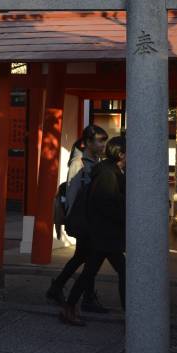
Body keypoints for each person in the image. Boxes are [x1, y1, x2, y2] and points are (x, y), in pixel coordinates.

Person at [60, 136, 127, 327]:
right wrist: (125, 217)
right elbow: (106, 204)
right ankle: (130, 314)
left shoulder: (109, 170)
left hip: (103, 234)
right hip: (104, 234)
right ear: (121, 154)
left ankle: (69, 307)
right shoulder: (108, 173)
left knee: (90, 272)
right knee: (121, 272)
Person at [45, 125, 109, 313]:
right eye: (99, 141)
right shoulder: (78, 163)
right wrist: (74, 219)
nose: (103, 145)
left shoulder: (95, 160)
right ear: (88, 142)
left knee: (85, 257)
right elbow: (72, 194)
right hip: (83, 219)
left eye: (104, 141)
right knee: (88, 257)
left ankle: (59, 288)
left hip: (91, 218)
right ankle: (83, 296)